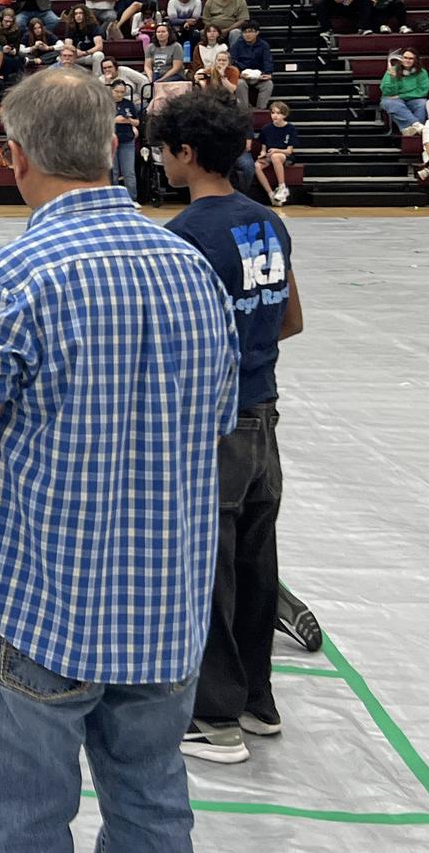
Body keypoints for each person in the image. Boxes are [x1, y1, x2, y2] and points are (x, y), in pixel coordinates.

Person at [0, 65, 240, 851]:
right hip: (165, 617)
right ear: (113, 145)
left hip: (39, 617)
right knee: (154, 815)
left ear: (17, 159)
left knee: (24, 827)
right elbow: (215, 425)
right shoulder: (193, 271)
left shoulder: (17, 275)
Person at [150, 89, 303, 767]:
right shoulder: (266, 221)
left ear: (184, 153)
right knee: (254, 561)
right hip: (265, 411)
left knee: (206, 565)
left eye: (164, 150)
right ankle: (255, 701)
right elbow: (292, 318)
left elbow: (177, 345)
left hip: (216, 421)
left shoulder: (187, 237)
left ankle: (212, 718)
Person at [254, 99, 299, 205]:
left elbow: (289, 151)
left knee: (276, 156)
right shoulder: (266, 129)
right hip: (270, 155)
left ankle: (282, 187)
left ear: (284, 115)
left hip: (284, 155)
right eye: (273, 113)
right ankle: (270, 194)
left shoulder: (290, 128)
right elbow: (264, 147)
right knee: (257, 165)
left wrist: (276, 150)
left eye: (278, 113)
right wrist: (263, 153)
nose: (275, 115)